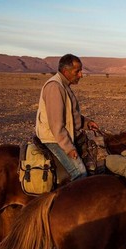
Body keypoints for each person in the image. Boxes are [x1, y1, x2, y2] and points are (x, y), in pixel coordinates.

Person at [35, 54, 99, 183]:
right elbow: (56, 125)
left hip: (61, 135)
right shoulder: (55, 87)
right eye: (77, 71)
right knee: (80, 173)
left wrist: (86, 123)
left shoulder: (64, 85)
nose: (81, 75)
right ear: (65, 71)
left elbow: (69, 115)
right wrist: (69, 148)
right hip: (54, 139)